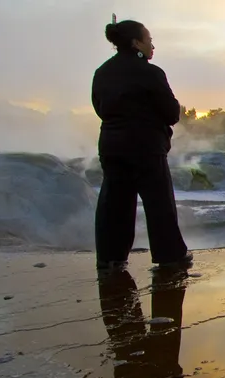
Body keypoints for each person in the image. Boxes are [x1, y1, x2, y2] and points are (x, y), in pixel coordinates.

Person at [92, 17, 192, 271]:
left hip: (112, 146)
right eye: (149, 40)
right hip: (147, 147)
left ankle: (110, 258)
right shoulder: (151, 73)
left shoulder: (102, 72)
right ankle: (170, 256)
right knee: (159, 204)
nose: (152, 46)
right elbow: (171, 113)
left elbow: (100, 109)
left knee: (114, 203)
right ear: (136, 43)